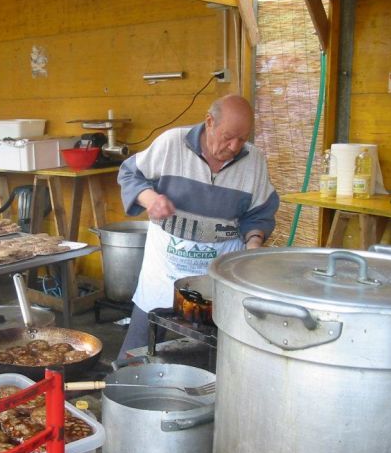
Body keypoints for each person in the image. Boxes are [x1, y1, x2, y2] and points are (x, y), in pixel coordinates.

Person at [117, 94, 278, 358]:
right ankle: (125, 386)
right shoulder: (172, 144)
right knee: (139, 344)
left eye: (243, 138)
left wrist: (253, 244)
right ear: (209, 122)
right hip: (166, 260)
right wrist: (150, 199)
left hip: (217, 264)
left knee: (215, 346)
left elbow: (259, 213)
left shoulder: (254, 161)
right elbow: (129, 172)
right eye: (228, 136)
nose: (236, 146)